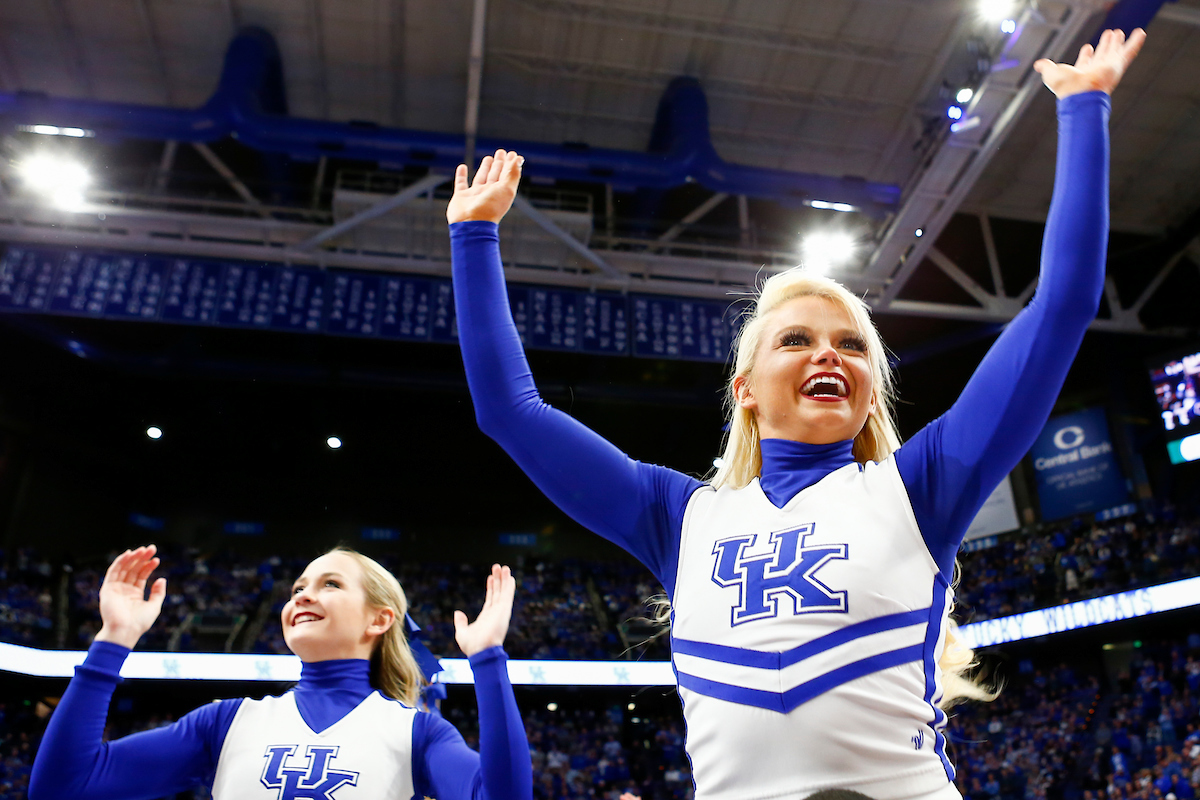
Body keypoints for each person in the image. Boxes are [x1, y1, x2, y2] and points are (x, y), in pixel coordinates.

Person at [446, 27, 1145, 800]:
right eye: (798, 339)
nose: (830, 354)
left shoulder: (919, 490)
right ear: (744, 388)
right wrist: (474, 236)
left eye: (852, 345)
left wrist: (1084, 114)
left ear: (869, 394)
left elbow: (1062, 308)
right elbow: (510, 411)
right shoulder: (679, 517)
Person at [29, 544, 533, 800]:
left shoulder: (419, 733)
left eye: (330, 584)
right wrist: (112, 641)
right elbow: (62, 788)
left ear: (380, 619)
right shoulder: (223, 722)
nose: (303, 595)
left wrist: (487, 658)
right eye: (297, 588)